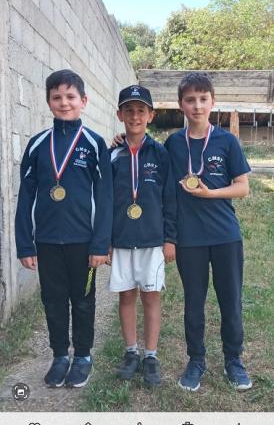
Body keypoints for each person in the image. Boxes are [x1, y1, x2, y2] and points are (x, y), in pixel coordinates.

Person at [15, 69, 113, 388]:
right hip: (46, 241)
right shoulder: (37, 145)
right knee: (53, 300)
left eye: (71, 97)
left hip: (83, 243)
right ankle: (59, 355)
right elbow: (26, 195)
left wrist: (101, 244)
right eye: (57, 97)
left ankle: (82, 355)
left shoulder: (95, 145)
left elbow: (105, 197)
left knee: (83, 300)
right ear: (48, 102)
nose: (64, 102)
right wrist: (25, 244)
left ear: (83, 101)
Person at [164, 71, 252, 391]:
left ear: (213, 102)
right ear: (181, 105)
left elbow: (242, 188)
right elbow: (164, 187)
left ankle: (234, 361)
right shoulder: (173, 143)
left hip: (225, 236)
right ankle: (196, 361)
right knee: (194, 304)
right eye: (191, 100)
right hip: (190, 239)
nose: (197, 106)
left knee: (231, 302)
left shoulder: (227, 141)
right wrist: (121, 139)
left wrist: (210, 194)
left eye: (203, 99)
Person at [109, 84, 177, 387]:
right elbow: (104, 199)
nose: (134, 116)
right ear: (120, 114)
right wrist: (105, 241)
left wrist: (170, 238)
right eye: (129, 110)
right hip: (121, 238)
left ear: (150, 115)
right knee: (126, 296)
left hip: (152, 239)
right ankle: (131, 352)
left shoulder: (160, 154)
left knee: (151, 297)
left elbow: (170, 199)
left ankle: (151, 355)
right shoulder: (111, 155)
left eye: (141, 110)